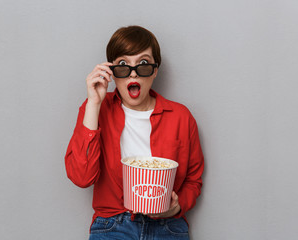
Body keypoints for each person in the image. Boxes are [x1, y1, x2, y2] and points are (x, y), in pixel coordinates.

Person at [65, 25, 204, 239]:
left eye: (144, 64)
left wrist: (176, 207)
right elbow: (81, 177)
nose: (133, 73)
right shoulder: (95, 109)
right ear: (111, 71)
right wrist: (93, 103)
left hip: (168, 226)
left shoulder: (181, 117)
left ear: (155, 70)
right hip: (113, 224)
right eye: (122, 65)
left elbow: (194, 179)